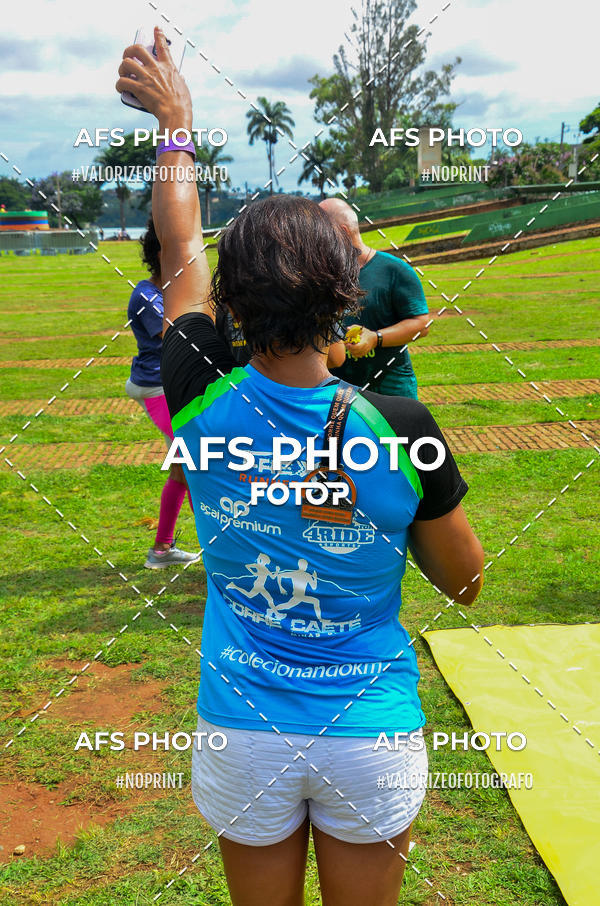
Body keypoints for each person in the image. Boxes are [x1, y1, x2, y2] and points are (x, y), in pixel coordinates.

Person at [117, 29, 484, 906]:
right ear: (346, 296)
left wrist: (177, 120)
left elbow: (180, 252)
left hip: (242, 728)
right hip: (369, 730)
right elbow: (466, 585)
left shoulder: (199, 392)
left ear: (232, 305)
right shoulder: (403, 425)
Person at [125, 215, 200, 569]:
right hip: (156, 387)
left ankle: (161, 551)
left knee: (184, 467)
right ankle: (218, 547)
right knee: (197, 460)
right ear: (161, 256)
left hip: (172, 386)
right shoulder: (146, 295)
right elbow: (177, 337)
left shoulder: (171, 291)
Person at [319, 198, 431, 399]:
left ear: (343, 233)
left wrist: (375, 338)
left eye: (320, 234)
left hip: (390, 390)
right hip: (338, 394)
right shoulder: (322, 277)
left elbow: (421, 324)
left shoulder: (394, 270)